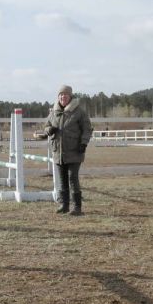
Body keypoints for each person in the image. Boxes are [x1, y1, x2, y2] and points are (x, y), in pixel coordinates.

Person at [37, 85, 94, 215]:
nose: (63, 97)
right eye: (61, 95)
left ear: (70, 96)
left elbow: (87, 129)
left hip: (75, 151)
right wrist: (49, 130)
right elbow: (46, 126)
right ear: (58, 97)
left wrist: (83, 143)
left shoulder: (79, 111)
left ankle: (77, 207)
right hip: (58, 151)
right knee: (62, 180)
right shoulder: (54, 112)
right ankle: (64, 205)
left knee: (72, 178)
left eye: (65, 95)